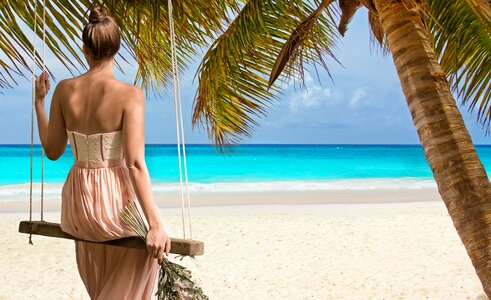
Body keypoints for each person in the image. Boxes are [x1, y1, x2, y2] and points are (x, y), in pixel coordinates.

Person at [33, 4, 171, 299]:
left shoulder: (63, 90)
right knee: (149, 252)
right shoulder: (130, 95)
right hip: (113, 204)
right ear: (117, 49)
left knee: (107, 277)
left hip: (79, 207)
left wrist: (39, 103)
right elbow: (134, 163)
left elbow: (53, 151)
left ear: (85, 49)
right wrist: (156, 223)